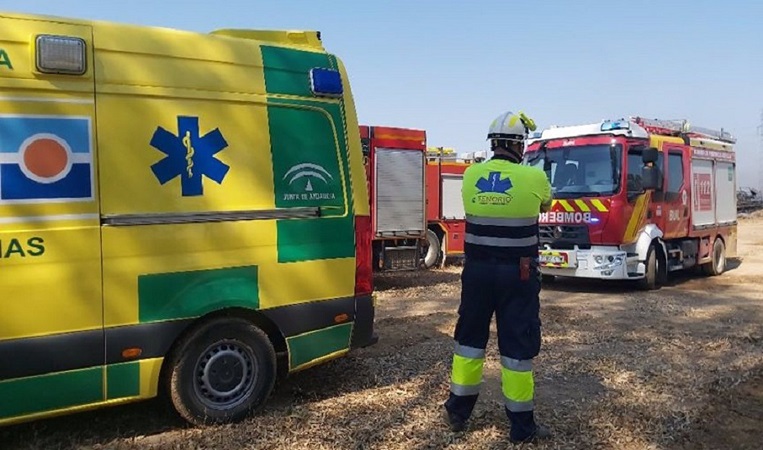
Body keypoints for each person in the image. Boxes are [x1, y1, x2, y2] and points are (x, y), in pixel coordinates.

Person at [443, 110, 553, 444]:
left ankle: (457, 413)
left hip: (476, 273)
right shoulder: (534, 178)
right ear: (520, 146)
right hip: (517, 275)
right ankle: (521, 428)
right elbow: (546, 204)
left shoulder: (471, 175)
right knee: (517, 348)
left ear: (492, 143)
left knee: (469, 342)